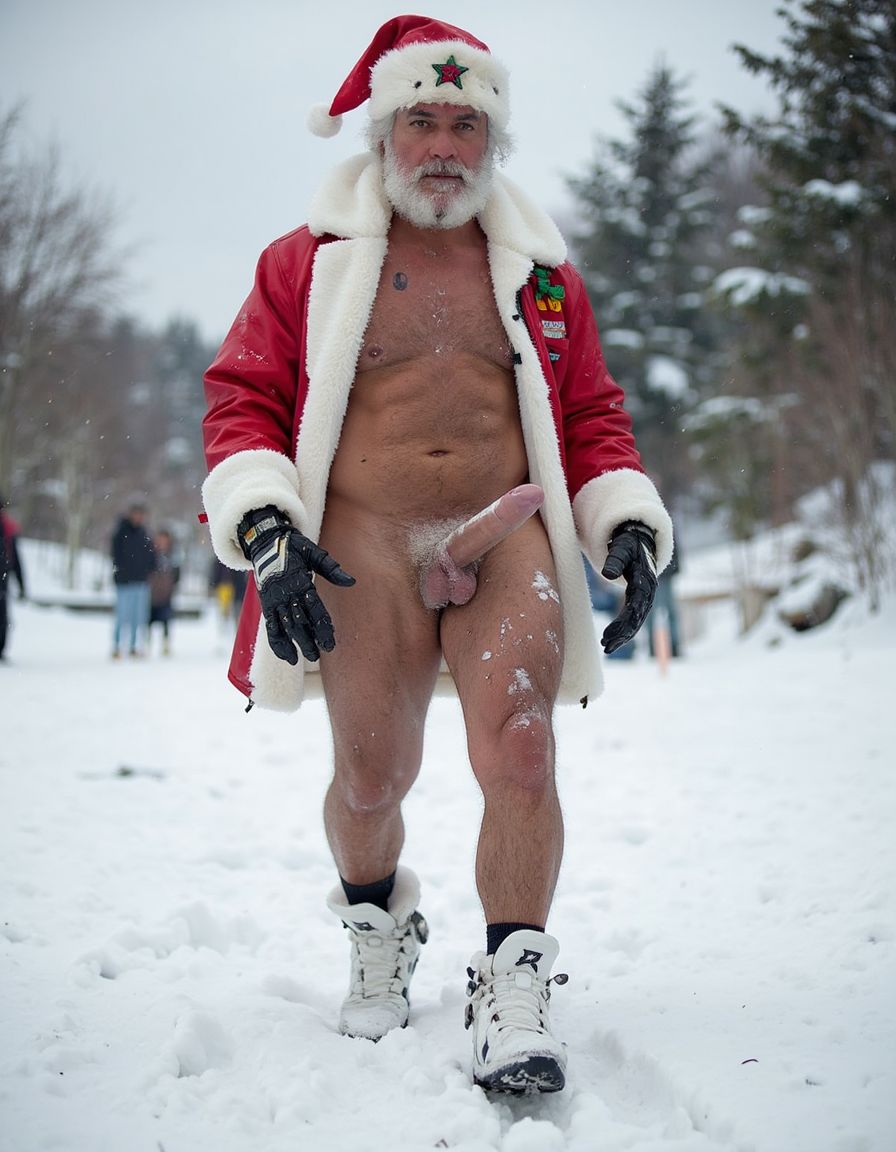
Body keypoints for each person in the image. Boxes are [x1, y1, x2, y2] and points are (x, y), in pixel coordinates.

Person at [201, 15, 673, 1094]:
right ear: (383, 132)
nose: (443, 144)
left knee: (520, 749)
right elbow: (243, 402)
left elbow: (591, 411)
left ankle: (513, 981)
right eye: (422, 119)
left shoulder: (540, 273)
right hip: (362, 539)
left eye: (466, 121)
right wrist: (267, 525)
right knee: (371, 777)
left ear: (493, 137)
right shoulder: (307, 263)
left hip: (500, 531)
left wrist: (624, 522)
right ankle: (377, 928)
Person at [110, 501, 156, 659]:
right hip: (124, 582)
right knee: (122, 616)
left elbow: (151, 556)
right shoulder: (121, 533)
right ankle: (116, 646)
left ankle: (134, 646)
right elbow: (116, 556)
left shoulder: (145, 535)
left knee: (139, 617)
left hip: (141, 582)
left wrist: (149, 571)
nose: (138, 518)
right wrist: (122, 572)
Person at [0, 492, 27, 662]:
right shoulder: (8, 526)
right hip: (3, 578)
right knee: (2, 616)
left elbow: (15, 558)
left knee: (2, 616)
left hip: (3, 578)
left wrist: (22, 583)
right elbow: (16, 558)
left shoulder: (7, 527)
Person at [148, 529, 181, 655]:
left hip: (167, 593)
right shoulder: (152, 554)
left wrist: (172, 584)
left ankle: (166, 644)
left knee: (166, 618)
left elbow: (177, 573)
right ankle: (147, 642)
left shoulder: (173, 555)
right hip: (152, 593)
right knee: (149, 618)